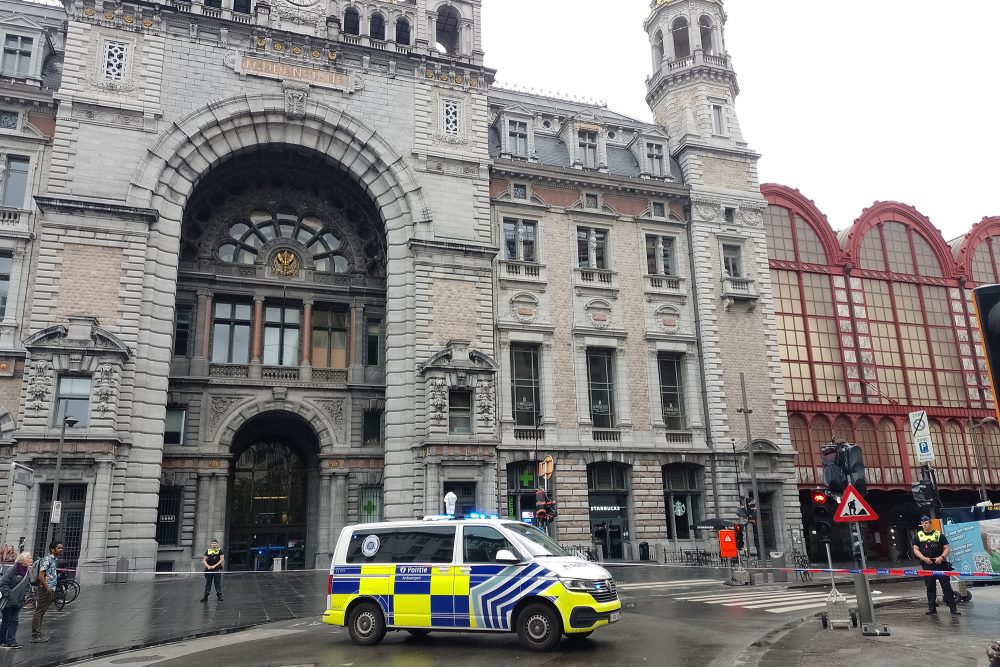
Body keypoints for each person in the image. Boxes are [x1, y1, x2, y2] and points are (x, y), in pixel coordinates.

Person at [911, 515, 960, 615]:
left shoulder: (939, 535)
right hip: (927, 564)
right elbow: (915, 550)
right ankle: (932, 607)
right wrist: (924, 558)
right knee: (930, 587)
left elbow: (947, 548)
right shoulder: (918, 536)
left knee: (946, 586)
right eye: (923, 523)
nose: (924, 525)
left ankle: (953, 608)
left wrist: (941, 557)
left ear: (930, 523)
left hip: (940, 563)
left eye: (926, 523)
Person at [0, 551, 33, 649]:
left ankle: (12, 641)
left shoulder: (27, 571)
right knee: (6, 621)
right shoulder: (12, 570)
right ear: (22, 560)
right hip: (8, 601)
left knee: (14, 621)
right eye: (29, 558)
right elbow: (2, 584)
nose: (31, 560)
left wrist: (26, 596)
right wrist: (11, 596)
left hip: (19, 601)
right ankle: (2, 641)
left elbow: (28, 585)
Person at [31, 541, 63, 642]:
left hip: (49, 589)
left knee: (42, 612)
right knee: (39, 612)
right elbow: (41, 576)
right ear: (52, 549)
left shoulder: (53, 560)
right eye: (59, 548)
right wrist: (47, 589)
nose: (61, 550)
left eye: (61, 548)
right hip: (45, 589)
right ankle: (35, 635)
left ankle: (38, 633)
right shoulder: (47, 559)